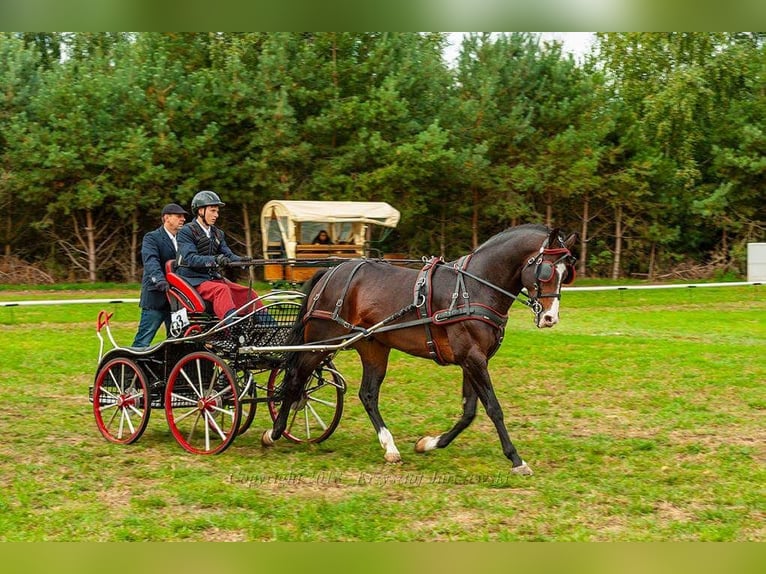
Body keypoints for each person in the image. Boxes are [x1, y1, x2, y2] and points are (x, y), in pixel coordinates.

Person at [176, 190, 263, 321]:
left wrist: (243, 261)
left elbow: (228, 254)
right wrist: (215, 260)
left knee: (248, 293)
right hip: (193, 280)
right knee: (221, 290)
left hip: (212, 279)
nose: (216, 215)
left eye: (217, 211)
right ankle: (231, 328)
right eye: (213, 211)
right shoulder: (186, 231)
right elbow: (190, 259)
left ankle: (267, 327)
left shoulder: (218, 233)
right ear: (200, 211)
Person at [132, 203, 189, 347]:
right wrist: (160, 280)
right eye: (178, 216)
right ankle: (131, 368)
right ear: (166, 218)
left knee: (177, 341)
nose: (183, 219)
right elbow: (151, 261)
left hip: (177, 302)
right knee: (143, 340)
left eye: (183, 216)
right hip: (156, 297)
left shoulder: (184, 240)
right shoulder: (152, 238)